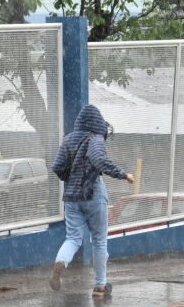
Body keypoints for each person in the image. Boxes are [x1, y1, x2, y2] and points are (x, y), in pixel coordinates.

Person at [49, 104, 134, 296]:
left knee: (72, 239)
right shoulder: (95, 138)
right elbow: (98, 159)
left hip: (72, 196)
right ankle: (100, 286)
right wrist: (122, 174)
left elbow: (57, 166)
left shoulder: (69, 138)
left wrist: (71, 178)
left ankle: (61, 262)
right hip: (93, 192)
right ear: (98, 124)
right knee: (99, 239)